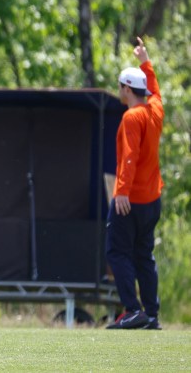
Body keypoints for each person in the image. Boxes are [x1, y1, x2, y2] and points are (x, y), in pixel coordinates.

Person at [105, 37, 164, 330]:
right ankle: (151, 315)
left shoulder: (132, 117)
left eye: (120, 87)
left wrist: (122, 192)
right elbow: (155, 90)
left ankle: (131, 310)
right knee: (143, 255)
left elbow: (129, 156)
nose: (119, 91)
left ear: (127, 89)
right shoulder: (155, 110)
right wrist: (146, 61)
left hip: (131, 200)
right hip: (153, 200)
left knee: (117, 252)